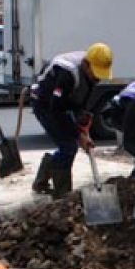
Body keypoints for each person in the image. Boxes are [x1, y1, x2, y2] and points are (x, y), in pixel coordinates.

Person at [29, 43, 114, 198]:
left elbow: (81, 105)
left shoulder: (91, 75)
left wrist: (84, 129)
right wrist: (78, 135)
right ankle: (62, 194)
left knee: (68, 146)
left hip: (63, 103)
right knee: (68, 146)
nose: (97, 78)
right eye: (95, 74)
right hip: (46, 104)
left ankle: (41, 180)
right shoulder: (67, 74)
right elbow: (57, 109)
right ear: (86, 65)